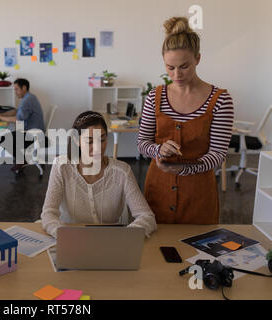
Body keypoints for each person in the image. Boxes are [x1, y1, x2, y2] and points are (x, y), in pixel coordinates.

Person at [137, 17, 234, 224]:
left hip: (199, 194)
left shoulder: (220, 100)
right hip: (158, 190)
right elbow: (143, 143)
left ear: (198, 59)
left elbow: (217, 155)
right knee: (156, 251)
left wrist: (184, 169)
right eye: (169, 67)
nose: (176, 74)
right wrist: (158, 150)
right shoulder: (155, 96)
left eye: (184, 66)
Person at [41, 111, 157, 239]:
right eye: (90, 141)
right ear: (76, 140)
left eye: (102, 140)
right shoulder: (61, 167)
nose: (97, 148)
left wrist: (126, 237)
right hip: (72, 241)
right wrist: (63, 235)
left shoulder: (122, 171)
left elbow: (146, 216)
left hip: (110, 242)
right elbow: (48, 213)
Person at [0, 78, 45, 173]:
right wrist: (1, 115)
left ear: (24, 87)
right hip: (34, 131)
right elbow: (16, 112)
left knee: (2, 139)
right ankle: (21, 159)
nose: (15, 92)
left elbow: (17, 119)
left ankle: (21, 159)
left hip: (32, 135)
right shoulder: (29, 97)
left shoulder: (27, 100)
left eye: (16, 89)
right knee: (9, 137)